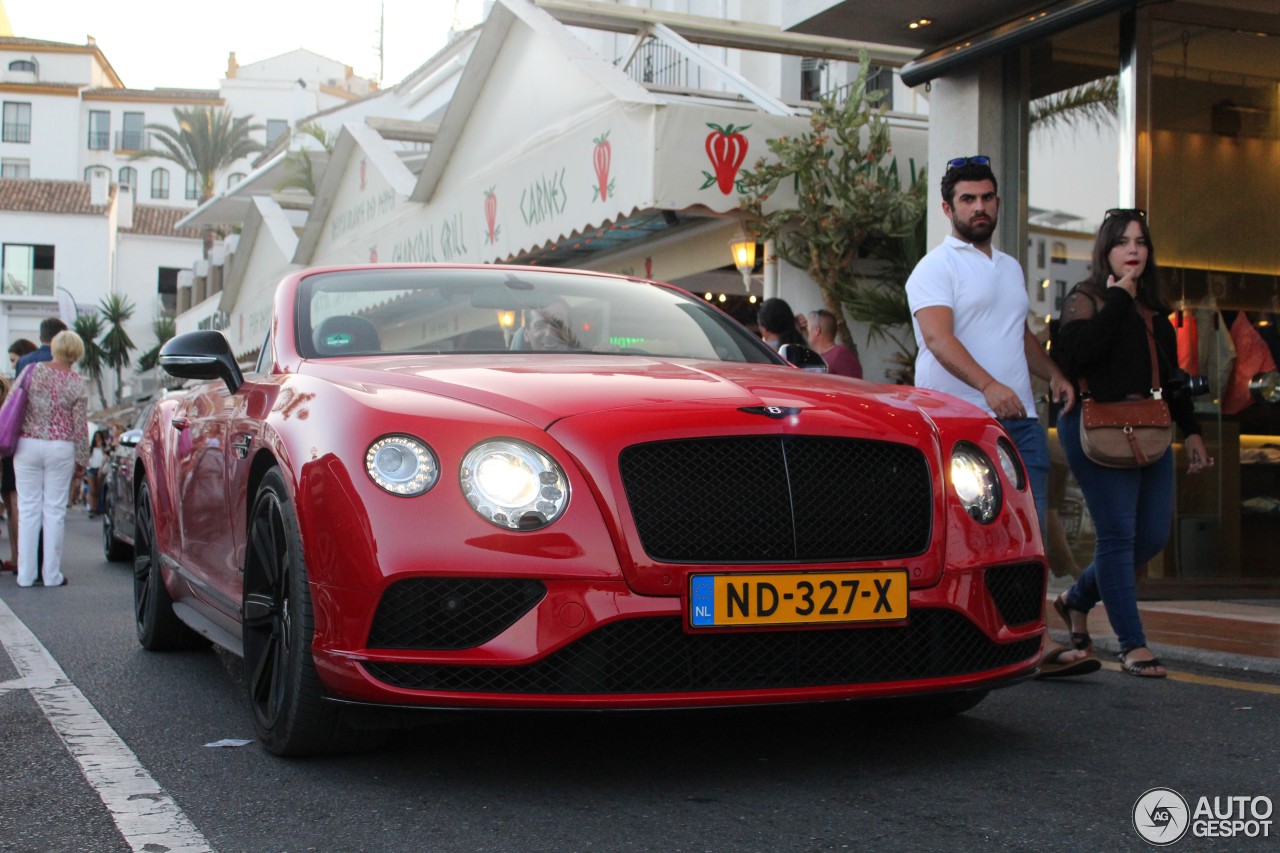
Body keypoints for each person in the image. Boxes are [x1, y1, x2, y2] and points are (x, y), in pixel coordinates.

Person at [905, 155, 1085, 678]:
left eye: (986, 197)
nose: (978, 207)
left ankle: (1037, 639)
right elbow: (938, 339)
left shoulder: (1006, 267)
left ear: (997, 203)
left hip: (1021, 418)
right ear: (947, 207)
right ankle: (958, 640)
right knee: (964, 536)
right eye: (967, 199)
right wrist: (988, 385)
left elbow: (1016, 332)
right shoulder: (935, 268)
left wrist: (1051, 373)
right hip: (959, 422)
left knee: (1029, 530)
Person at [1050, 209, 1214, 678]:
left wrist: (1195, 432)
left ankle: (1076, 599)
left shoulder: (1157, 314)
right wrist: (1119, 298)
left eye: (1140, 243)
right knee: (1118, 537)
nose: (1133, 251)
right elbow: (1075, 354)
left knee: (1152, 536)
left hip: (1150, 426)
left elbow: (1169, 382)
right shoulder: (1088, 298)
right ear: (1107, 250)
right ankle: (1132, 644)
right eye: (1123, 243)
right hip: (1097, 426)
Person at [13, 330, 89, 589]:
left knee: (28, 509)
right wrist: (82, 461)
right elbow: (80, 427)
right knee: (54, 512)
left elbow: (14, 403)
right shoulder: (77, 382)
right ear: (77, 353)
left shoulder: (32, 371)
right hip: (61, 446)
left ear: (55, 348)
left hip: (28, 443)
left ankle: (25, 575)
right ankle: (51, 575)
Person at [2, 339, 38, 574]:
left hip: (10, 449)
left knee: (13, 505)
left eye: (14, 361)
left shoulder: (19, 383)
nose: (13, 365)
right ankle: (19, 557)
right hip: (13, 449)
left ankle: (18, 557)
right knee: (15, 504)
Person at [805, 308, 863, 378]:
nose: (805, 333)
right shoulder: (816, 357)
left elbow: (853, 386)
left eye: (806, 328)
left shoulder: (841, 355)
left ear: (817, 330)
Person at [85, 430, 108, 517]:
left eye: (99, 437)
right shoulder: (91, 448)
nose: (97, 439)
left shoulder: (104, 448)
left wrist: (102, 445)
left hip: (100, 469)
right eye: (96, 437)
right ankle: (92, 509)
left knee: (98, 490)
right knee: (92, 489)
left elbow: (105, 456)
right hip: (91, 469)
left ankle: (97, 507)